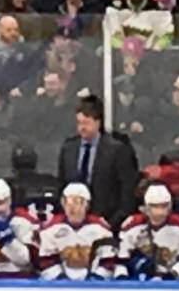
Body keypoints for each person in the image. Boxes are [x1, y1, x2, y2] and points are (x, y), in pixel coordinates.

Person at [58, 93, 139, 226]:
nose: (81, 128)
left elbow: (127, 192)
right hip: (72, 223)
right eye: (79, 123)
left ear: (98, 122)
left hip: (107, 221)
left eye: (86, 123)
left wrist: (112, 223)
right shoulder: (69, 149)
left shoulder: (117, 150)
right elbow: (62, 185)